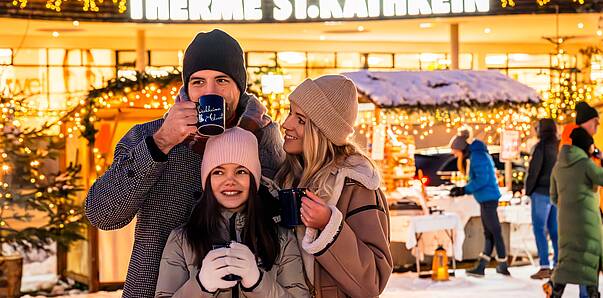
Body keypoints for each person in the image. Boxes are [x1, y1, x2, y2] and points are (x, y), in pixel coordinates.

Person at [85, 29, 285, 297]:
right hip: (154, 288)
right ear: (186, 87)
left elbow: (282, 225)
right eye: (198, 82)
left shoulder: (264, 136)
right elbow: (102, 214)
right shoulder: (149, 135)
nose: (209, 91)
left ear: (240, 86)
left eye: (222, 80)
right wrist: (162, 142)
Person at [275, 75, 392, 297]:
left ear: (321, 132)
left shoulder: (356, 186)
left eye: (300, 120)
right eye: (290, 112)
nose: (286, 124)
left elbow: (372, 283)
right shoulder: (287, 176)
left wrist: (330, 226)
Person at [155, 128, 308, 297]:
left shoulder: (283, 239)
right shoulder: (181, 240)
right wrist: (201, 285)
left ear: (253, 178)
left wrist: (257, 283)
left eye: (240, 171)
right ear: (207, 179)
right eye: (218, 172)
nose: (230, 181)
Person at [544, 127, 603, 298]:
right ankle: (592, 294)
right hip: (587, 222)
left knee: (568, 259)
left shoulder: (558, 167)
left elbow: (554, 198)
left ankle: (554, 290)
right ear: (587, 146)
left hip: (565, 223)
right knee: (589, 260)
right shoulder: (586, 164)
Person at [449, 130, 510, 277]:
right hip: (486, 199)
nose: (455, 155)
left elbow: (482, 180)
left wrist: (464, 189)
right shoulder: (477, 154)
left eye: (456, 152)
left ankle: (503, 265)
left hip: (488, 199)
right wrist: (464, 188)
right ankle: (482, 266)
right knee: (489, 233)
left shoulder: (477, 156)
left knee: (495, 232)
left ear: (462, 149)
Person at [524, 118, 559, 279]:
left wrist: (528, 190)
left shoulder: (541, 147)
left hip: (541, 192)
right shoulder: (559, 146)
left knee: (539, 229)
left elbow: (534, 171)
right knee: (554, 230)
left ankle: (544, 265)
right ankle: (558, 264)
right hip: (556, 193)